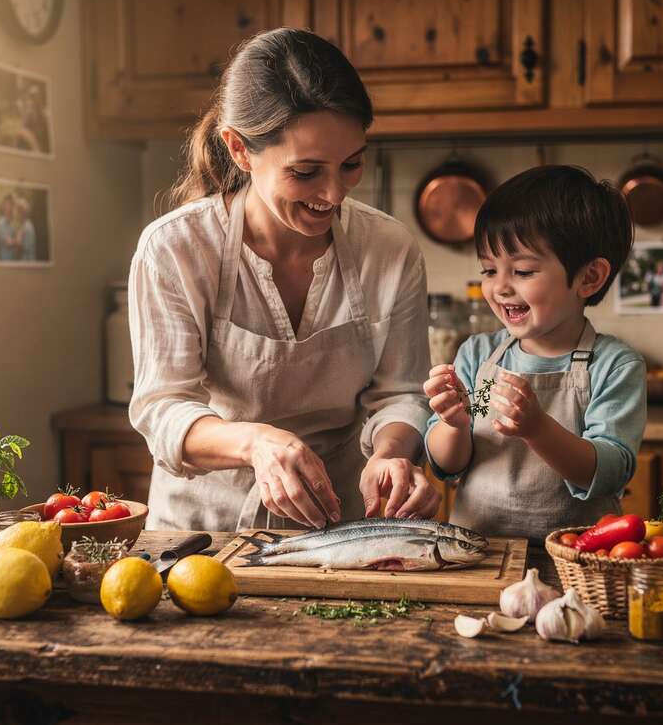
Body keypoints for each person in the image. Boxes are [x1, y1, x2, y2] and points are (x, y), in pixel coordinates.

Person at [128, 29, 440, 532]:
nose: (334, 194)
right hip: (201, 533)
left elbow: (401, 392)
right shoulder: (176, 248)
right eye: (306, 172)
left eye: (351, 164)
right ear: (239, 149)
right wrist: (256, 442)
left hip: (341, 529)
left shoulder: (389, 248)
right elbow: (163, 408)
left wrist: (391, 453)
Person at [421, 165, 646, 541]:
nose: (499, 288)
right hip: (478, 552)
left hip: (575, 560)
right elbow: (447, 464)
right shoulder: (479, 356)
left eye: (523, 271)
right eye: (490, 270)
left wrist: (538, 429)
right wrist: (454, 424)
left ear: (589, 277)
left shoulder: (613, 365)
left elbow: (609, 471)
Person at [11, 194, 37, 261]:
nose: (14, 213)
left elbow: (21, 247)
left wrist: (15, 242)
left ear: (22, 212)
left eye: (16, 210)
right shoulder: (22, 226)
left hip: (27, 262)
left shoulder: (28, 227)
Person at [0, 194, 19, 261]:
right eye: (7, 204)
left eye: (11, 204)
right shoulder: (1, 223)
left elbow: (18, 244)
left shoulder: (15, 222)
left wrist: (16, 241)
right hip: (4, 261)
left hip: (15, 261)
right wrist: (16, 241)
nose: (9, 207)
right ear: (4, 207)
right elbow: (9, 243)